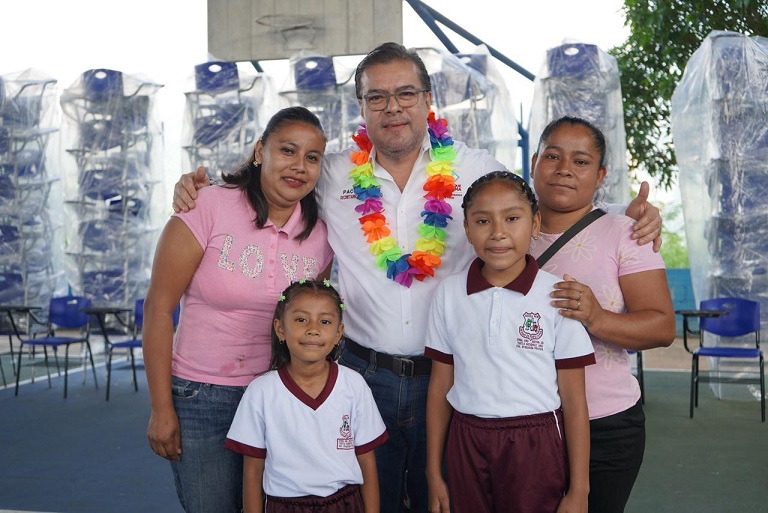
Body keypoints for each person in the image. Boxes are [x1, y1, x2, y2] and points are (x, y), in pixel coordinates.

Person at [171, 43, 663, 513]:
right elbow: (276, 177)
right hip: (364, 377)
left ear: (428, 99)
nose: (393, 107)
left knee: (444, 499)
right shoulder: (333, 174)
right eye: (377, 96)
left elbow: (536, 205)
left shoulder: (474, 167)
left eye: (406, 93)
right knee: (367, 500)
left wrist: (625, 215)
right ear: (361, 107)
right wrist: (206, 186)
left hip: (453, 380)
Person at [143, 106, 334, 513]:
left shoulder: (320, 234)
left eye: (312, 157)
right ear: (260, 151)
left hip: (279, 395)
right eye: (287, 150)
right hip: (202, 396)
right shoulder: (207, 205)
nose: (299, 166)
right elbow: (158, 309)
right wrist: (161, 408)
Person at [528, 116, 676, 513]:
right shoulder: (504, 230)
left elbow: (662, 326)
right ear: (534, 163)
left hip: (603, 424)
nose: (564, 169)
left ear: (600, 175)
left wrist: (597, 317)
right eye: (552, 156)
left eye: (581, 162)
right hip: (520, 421)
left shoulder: (627, 232)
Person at [424, 171, 595, 513]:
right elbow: (440, 386)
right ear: (467, 229)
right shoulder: (449, 293)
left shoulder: (557, 295)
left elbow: (575, 401)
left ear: (535, 224)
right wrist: (433, 472)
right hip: (466, 438)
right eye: (483, 221)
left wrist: (580, 489)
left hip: (535, 441)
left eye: (512, 218)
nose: (498, 232)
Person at [224, 279, 388, 513]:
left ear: (338, 333)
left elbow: (367, 463)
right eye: (301, 320)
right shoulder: (261, 392)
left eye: (325, 321)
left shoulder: (354, 385)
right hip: (285, 506)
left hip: (344, 504)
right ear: (280, 329)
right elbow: (252, 472)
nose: (313, 329)